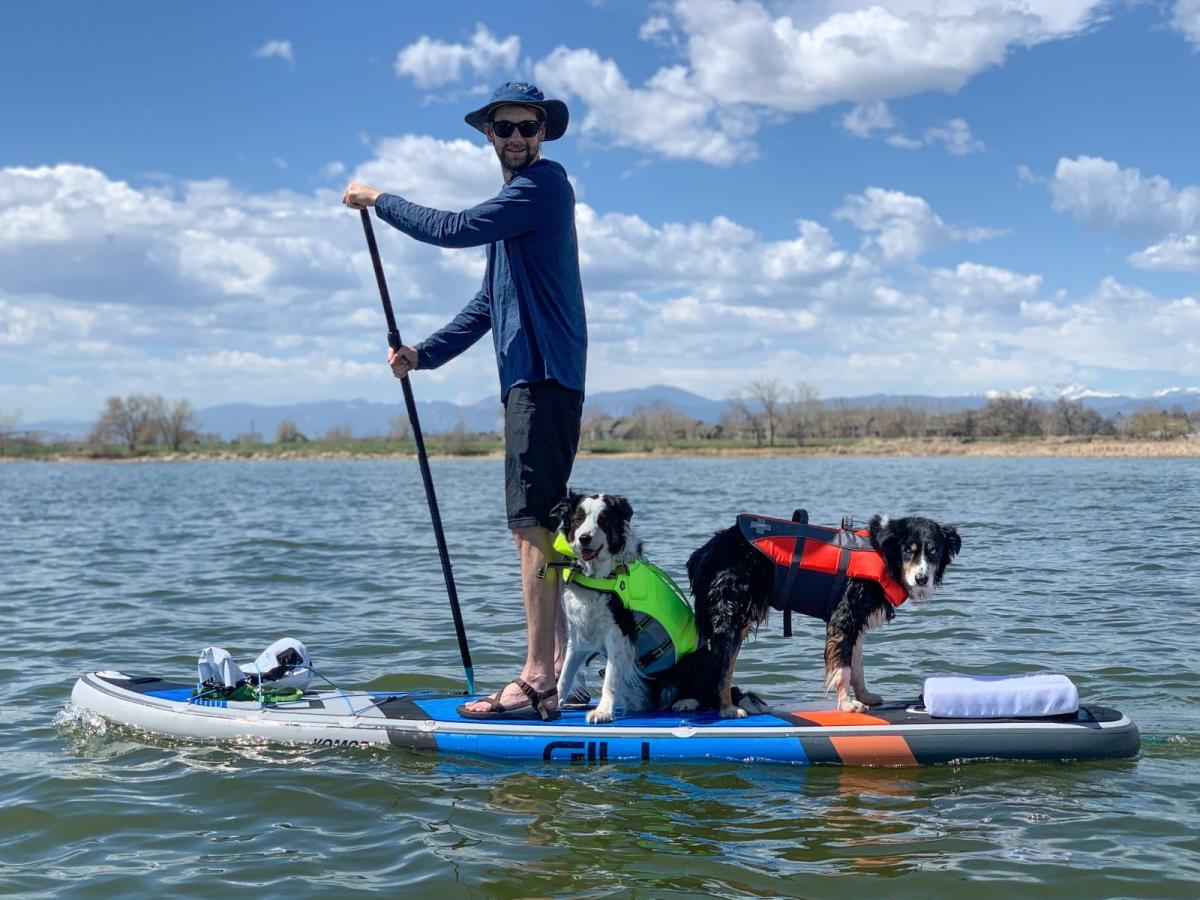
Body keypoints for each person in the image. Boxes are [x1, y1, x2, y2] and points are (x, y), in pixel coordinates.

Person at [342, 82, 586, 721]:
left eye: (528, 128)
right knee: (529, 527)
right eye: (504, 128)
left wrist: (379, 199)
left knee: (532, 525)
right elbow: (487, 307)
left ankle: (539, 680)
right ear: (489, 135)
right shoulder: (513, 213)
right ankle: (559, 668)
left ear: (543, 134)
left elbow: (450, 228)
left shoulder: (545, 186)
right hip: (529, 382)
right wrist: (423, 355)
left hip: (544, 377)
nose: (516, 138)